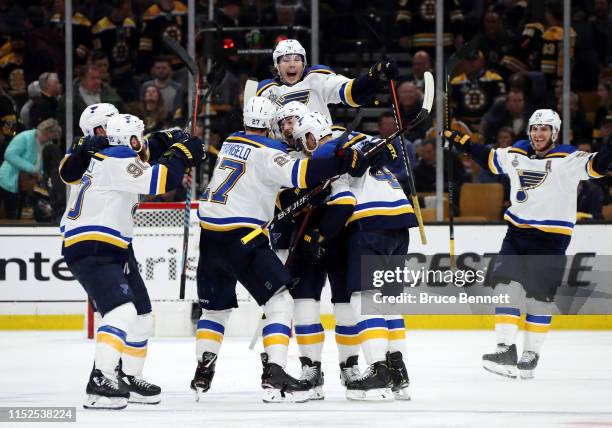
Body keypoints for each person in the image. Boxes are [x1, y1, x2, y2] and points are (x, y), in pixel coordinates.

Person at [190, 96, 371, 403]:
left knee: (215, 309)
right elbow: (302, 174)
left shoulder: (231, 142)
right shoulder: (270, 151)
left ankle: (203, 370)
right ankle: (274, 371)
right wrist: (340, 163)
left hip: (209, 235)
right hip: (243, 236)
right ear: (271, 125)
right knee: (280, 302)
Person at [443, 109, 611, 379]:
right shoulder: (516, 153)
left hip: (552, 238)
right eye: (534, 128)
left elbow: (599, 166)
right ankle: (505, 348)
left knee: (539, 298)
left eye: (544, 129)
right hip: (517, 232)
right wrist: (463, 143)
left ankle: (531, 352)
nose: (538, 133)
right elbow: (488, 158)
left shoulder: (568, 158)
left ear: (554, 133)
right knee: (504, 284)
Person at [61, 113, 205, 410]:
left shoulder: (108, 153)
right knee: (121, 311)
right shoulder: (116, 157)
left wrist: (172, 140)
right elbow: (159, 180)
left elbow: (148, 153)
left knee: (141, 314)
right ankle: (101, 379)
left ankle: (126, 377)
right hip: (95, 243)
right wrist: (182, 152)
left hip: (112, 245)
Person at [295, 112, 415, 401]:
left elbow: (344, 205)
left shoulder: (327, 158)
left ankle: (378, 369)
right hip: (399, 222)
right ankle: (398, 372)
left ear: (314, 134)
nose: (304, 145)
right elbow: (389, 151)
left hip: (368, 224)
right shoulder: (364, 140)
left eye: (304, 139)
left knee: (364, 298)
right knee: (388, 303)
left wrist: (319, 237)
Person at [255, 39, 395, 122]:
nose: (292, 64)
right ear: (276, 65)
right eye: (285, 60)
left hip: (320, 150)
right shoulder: (264, 90)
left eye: (297, 59)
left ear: (304, 63)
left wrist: (374, 76)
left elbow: (352, 93)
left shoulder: (316, 78)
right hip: (283, 156)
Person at [0, 118, 61, 219]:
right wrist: (33, 170)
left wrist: (41, 173)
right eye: (49, 137)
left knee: (23, 215)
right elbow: (9, 155)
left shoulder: (48, 144)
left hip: (29, 186)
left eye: (51, 138)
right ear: (45, 131)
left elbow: (44, 164)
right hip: (8, 182)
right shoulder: (24, 137)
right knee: (9, 215)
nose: (49, 140)